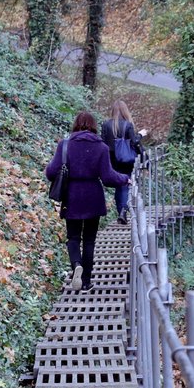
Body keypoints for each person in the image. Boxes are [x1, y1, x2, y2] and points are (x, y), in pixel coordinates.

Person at [46, 111, 131, 292]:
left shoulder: (65, 145)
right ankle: (85, 282)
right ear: (94, 126)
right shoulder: (101, 147)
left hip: (72, 196)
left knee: (73, 237)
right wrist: (124, 178)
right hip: (93, 196)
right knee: (90, 240)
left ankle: (76, 263)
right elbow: (108, 177)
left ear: (76, 124)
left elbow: (51, 173)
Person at [99, 100, 146, 224]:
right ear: (125, 111)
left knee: (119, 186)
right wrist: (140, 135)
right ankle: (123, 211)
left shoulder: (105, 124)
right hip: (126, 160)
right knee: (124, 184)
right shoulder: (127, 125)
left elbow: (102, 143)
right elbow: (134, 142)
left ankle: (121, 211)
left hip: (111, 160)